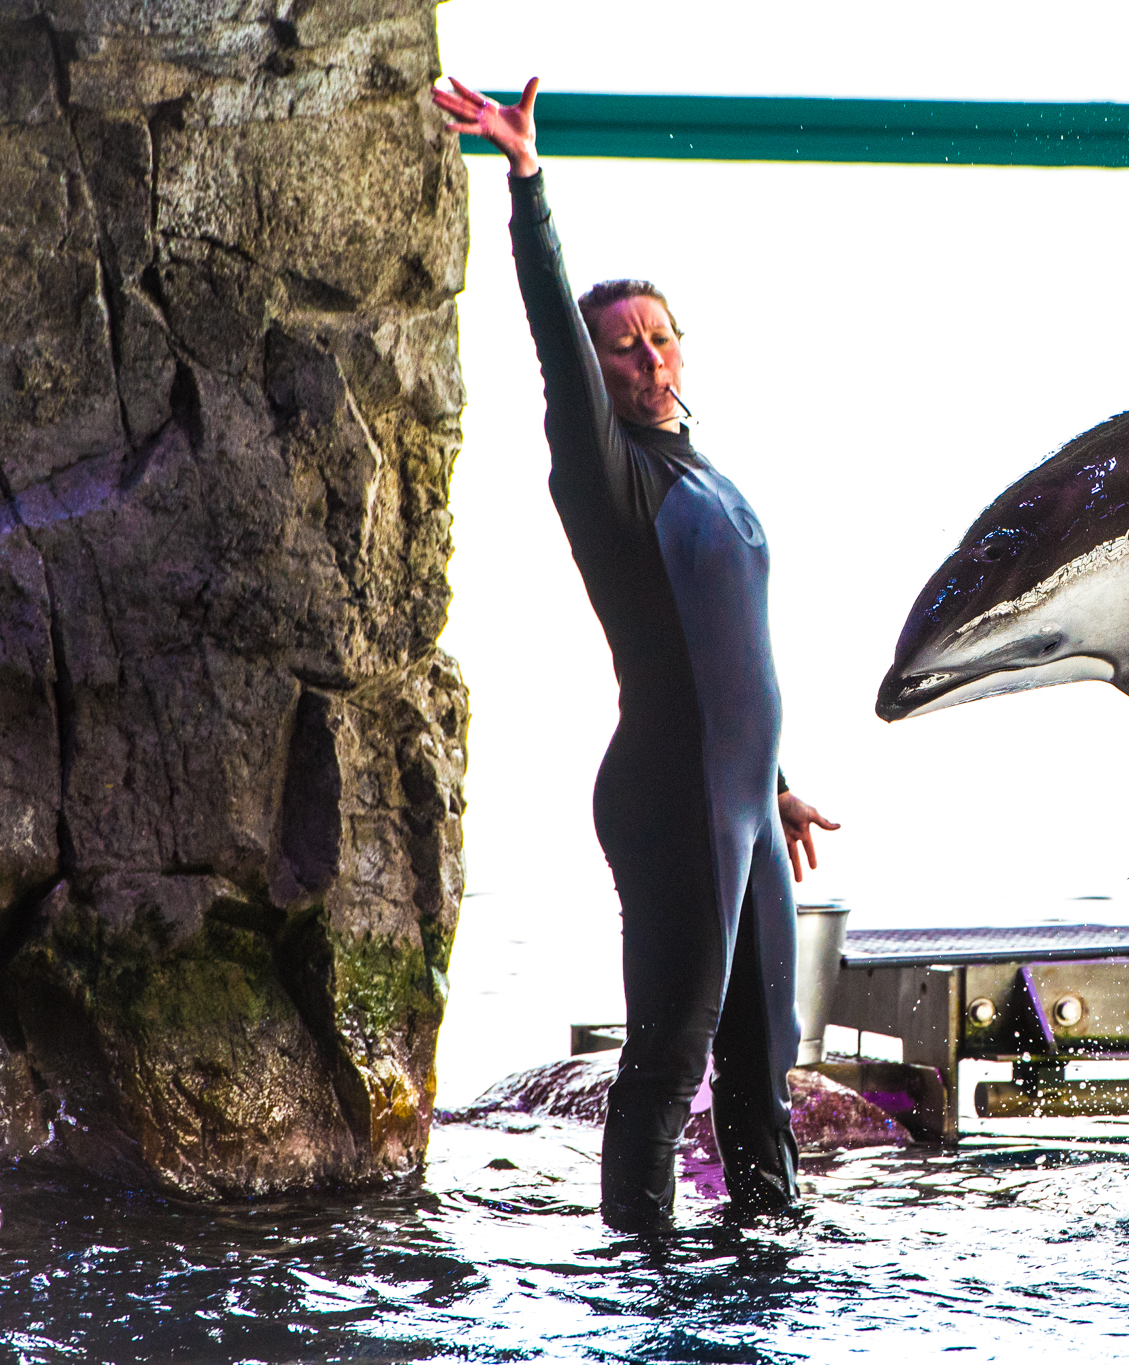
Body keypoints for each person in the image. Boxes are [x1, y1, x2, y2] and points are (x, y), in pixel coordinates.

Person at [434, 76, 840, 1230]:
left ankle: (767, 1268)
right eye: (623, 348)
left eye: (659, 337)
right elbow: (556, 341)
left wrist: (774, 784)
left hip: (742, 802)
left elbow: (728, 652)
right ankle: (640, 1292)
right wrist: (527, 184)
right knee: (668, 1064)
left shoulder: (704, 469)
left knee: (768, 1065)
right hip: (668, 792)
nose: (646, 357)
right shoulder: (607, 476)